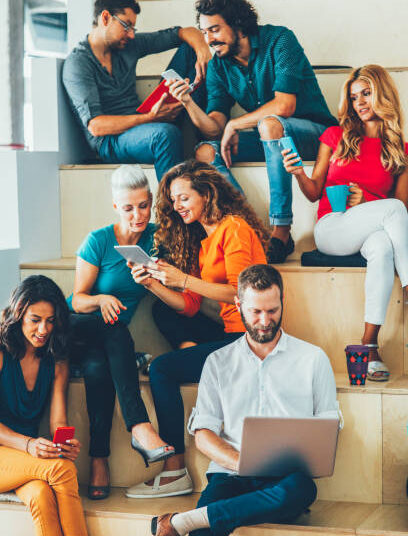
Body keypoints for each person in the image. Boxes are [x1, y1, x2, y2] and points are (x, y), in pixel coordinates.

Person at [150, 263, 339, 536]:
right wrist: (243, 462)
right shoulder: (217, 362)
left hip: (285, 479)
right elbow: (203, 435)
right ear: (238, 305)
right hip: (229, 475)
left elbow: (328, 426)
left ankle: (184, 521)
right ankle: (201, 520)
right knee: (206, 529)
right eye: (256, 311)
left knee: (302, 489)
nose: (265, 320)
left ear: (282, 302)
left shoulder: (313, 359)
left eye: (272, 310)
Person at [126, 159, 269, 498]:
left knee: (161, 369)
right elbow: (189, 305)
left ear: (206, 193)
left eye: (184, 198)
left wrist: (184, 279)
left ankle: (174, 469)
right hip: (226, 334)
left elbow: (242, 295)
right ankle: (194, 353)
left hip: (248, 338)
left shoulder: (233, 228)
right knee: (165, 309)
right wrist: (154, 284)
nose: (177, 206)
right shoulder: (203, 243)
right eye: (173, 201)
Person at [164, 0, 337, 262]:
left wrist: (236, 124)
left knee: (269, 124)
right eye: (204, 32)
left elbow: (285, 105)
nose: (208, 39)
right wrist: (188, 102)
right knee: (206, 152)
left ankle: (281, 231)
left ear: (238, 25)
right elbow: (215, 127)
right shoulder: (219, 66)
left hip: (315, 136)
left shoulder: (280, 39)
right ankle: (251, 228)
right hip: (269, 137)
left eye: (214, 30)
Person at [282, 64, 408, 381]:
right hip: (332, 227)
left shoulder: (401, 150)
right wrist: (298, 172)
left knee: (382, 247)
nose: (360, 102)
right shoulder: (335, 136)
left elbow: (402, 208)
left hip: (372, 228)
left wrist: (367, 203)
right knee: (389, 212)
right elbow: (313, 193)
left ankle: (369, 345)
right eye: (354, 97)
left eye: (366, 93)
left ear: (384, 93)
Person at [68, 164, 174, 500]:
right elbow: (76, 300)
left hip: (108, 341)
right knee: (115, 331)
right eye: (128, 208)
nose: (137, 215)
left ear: (151, 202)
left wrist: (154, 279)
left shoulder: (159, 240)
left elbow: (176, 289)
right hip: (75, 328)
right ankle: (140, 427)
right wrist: (101, 298)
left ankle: (99, 460)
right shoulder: (98, 240)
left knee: (100, 368)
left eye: (143, 205)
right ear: (116, 207)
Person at [63, 0, 211, 179]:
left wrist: (204, 52)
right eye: (126, 26)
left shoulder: (126, 45)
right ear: (105, 17)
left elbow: (183, 32)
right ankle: (170, 205)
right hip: (111, 141)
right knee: (164, 135)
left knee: (189, 50)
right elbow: (96, 126)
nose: (131, 35)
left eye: (133, 28)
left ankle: (206, 141)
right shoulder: (78, 63)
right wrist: (150, 118)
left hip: (146, 120)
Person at [0, 275, 88, 536]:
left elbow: (57, 419)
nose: (43, 330)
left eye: (50, 321)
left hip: (21, 458)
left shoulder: (56, 358)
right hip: (12, 449)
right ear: (18, 315)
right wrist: (28, 444)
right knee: (62, 470)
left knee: (40, 494)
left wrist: (64, 443)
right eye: (35, 320)